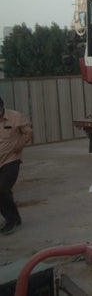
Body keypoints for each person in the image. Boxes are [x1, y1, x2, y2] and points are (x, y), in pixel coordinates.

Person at [0, 97, 33, 235]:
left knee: (2, 190)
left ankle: (11, 220)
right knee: (4, 193)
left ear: (2, 106)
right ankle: (15, 218)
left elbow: (28, 132)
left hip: (11, 160)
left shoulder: (16, 117)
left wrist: (20, 145)